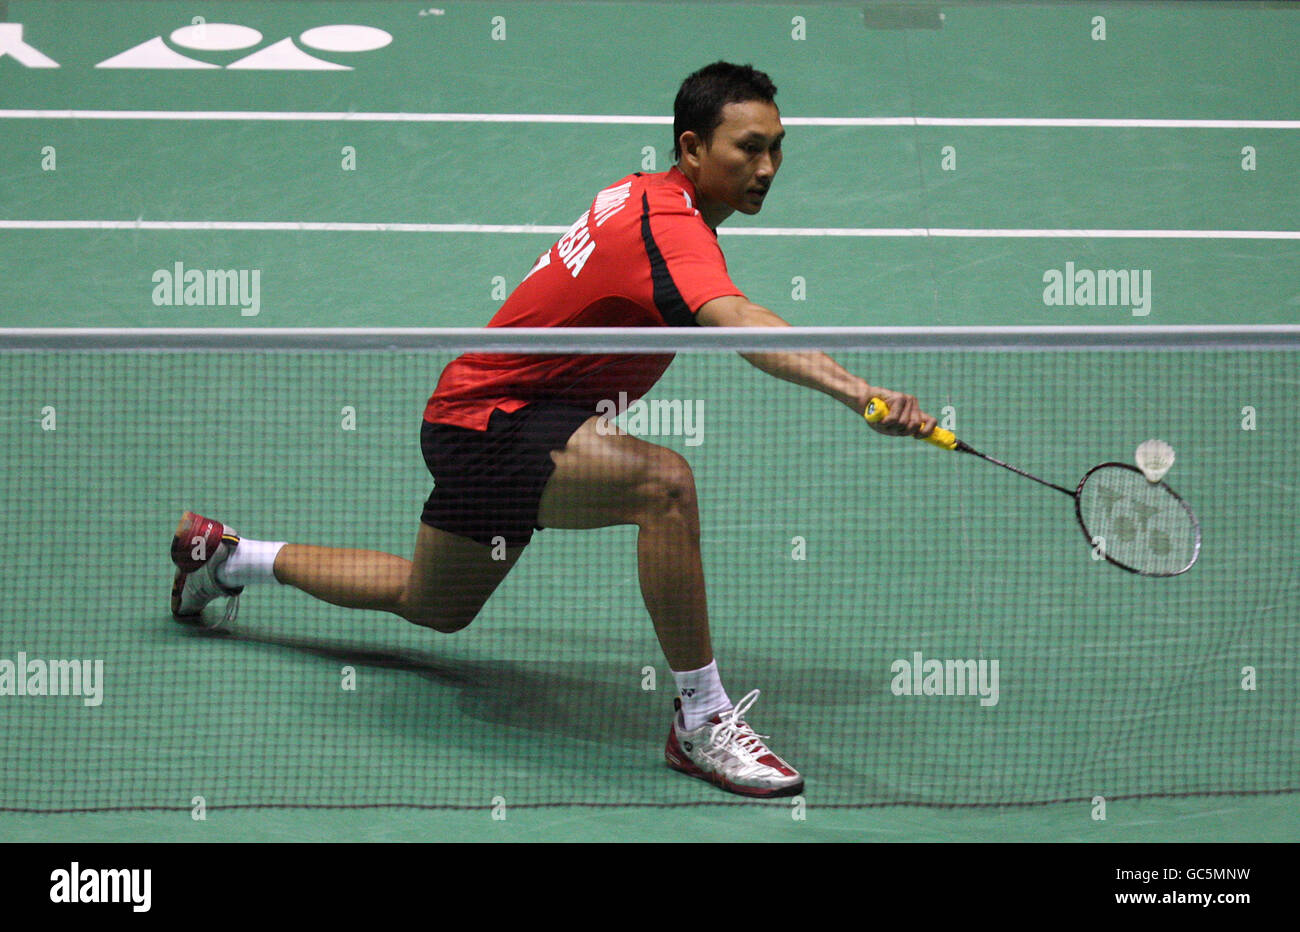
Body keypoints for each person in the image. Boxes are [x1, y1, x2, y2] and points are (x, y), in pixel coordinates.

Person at [170, 62, 935, 799]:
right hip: (494, 422)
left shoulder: (646, 198)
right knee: (663, 486)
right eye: (749, 148)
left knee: (429, 601)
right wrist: (859, 393)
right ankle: (701, 720)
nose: (767, 167)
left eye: (776, 149)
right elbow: (737, 318)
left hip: (481, 417)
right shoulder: (668, 223)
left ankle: (231, 558)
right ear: (692, 148)